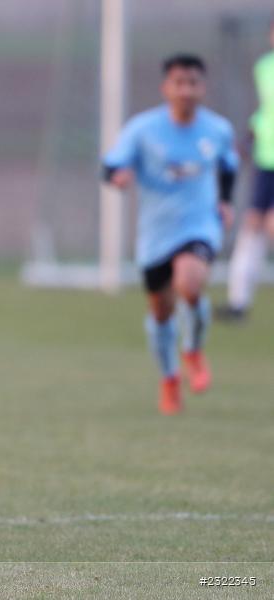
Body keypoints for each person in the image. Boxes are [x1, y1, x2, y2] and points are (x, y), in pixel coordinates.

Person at [103, 54, 239, 415]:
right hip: (155, 234)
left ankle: (193, 349)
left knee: (190, 283)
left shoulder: (217, 129)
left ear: (202, 88)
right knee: (161, 312)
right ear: (166, 88)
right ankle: (169, 378)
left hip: (199, 224)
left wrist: (225, 201)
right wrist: (118, 177)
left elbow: (228, 165)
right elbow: (112, 163)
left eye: (193, 83)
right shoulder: (142, 129)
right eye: (179, 83)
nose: (186, 90)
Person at [218, 22, 274, 321]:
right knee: (252, 224)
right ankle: (238, 301)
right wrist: (250, 135)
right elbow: (268, 109)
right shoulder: (265, 67)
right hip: (267, 159)